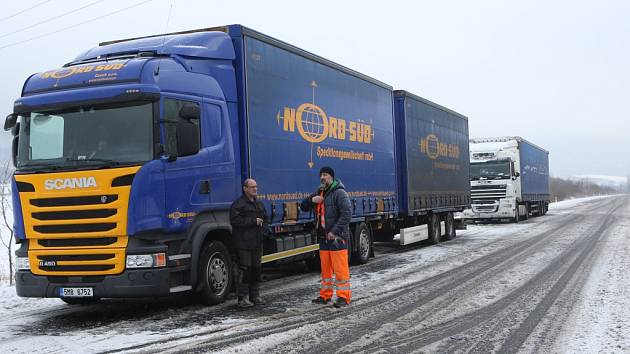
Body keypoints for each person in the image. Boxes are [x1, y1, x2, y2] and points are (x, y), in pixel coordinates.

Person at [300, 166, 352, 308]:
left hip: (336, 238)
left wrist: (334, 231)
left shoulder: (339, 193)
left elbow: (347, 214)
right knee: (326, 270)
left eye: (325, 175)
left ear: (332, 177)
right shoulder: (319, 192)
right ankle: (325, 295)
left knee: (340, 269)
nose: (322, 177)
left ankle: (343, 297)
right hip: (323, 237)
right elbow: (303, 206)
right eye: (321, 175)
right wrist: (312, 201)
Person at [230, 178, 267, 308]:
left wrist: (264, 232)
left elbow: (265, 220)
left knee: (256, 270)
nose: (255, 189)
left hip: (257, 243)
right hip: (243, 244)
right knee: (245, 270)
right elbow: (235, 221)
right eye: (252, 187)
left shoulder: (259, 204)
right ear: (245, 188)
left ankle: (255, 296)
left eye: (256, 186)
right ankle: (242, 298)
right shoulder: (238, 205)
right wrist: (253, 221)